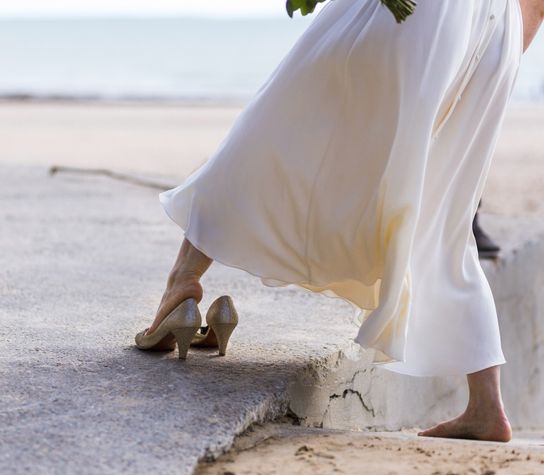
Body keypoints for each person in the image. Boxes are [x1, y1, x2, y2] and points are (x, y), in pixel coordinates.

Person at [135, 0, 543, 442]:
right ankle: (486, 406)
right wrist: (485, 57)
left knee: (279, 124)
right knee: (445, 220)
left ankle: (182, 284)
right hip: (498, 27)